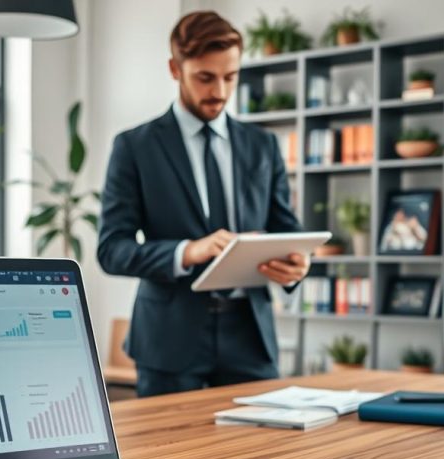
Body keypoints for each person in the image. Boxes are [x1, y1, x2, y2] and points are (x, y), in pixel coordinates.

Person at [97, 11, 310, 398]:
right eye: (205, 78)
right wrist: (187, 251)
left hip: (251, 338)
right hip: (169, 341)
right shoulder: (135, 147)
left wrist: (296, 263)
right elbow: (112, 250)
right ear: (174, 69)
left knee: (261, 457)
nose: (221, 92)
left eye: (230, 77)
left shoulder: (263, 146)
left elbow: (287, 230)